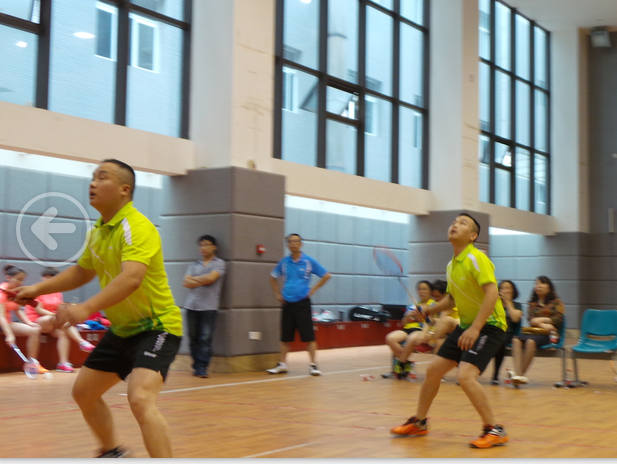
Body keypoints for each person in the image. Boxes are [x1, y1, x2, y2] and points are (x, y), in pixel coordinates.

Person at [14, 159, 183, 458]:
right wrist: (36, 289)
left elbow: (131, 278)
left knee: (140, 399)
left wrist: (85, 309)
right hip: (122, 330)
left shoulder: (137, 227)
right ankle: (112, 452)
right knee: (84, 393)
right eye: (92, 177)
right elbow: (82, 272)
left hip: (157, 327)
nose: (92, 183)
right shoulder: (98, 231)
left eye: (102, 177)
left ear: (124, 189)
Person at [390, 213, 509, 449]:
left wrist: (476, 328)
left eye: (462, 223)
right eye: (454, 222)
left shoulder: (477, 258)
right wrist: (429, 309)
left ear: (473, 235)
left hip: (490, 326)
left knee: (465, 376)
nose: (455, 224)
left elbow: (492, 294)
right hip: (467, 326)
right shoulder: (451, 265)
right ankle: (420, 422)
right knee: (434, 370)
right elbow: (452, 300)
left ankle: (494, 429)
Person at [267, 233, 331, 376]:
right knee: (285, 337)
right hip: (287, 303)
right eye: (290, 242)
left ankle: (313, 365)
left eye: (296, 241)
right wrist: (277, 293)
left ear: (301, 244)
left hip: (303, 304)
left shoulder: (308, 261)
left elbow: (326, 275)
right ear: (287, 245)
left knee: (309, 337)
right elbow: (272, 276)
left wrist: (313, 289)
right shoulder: (284, 262)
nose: (293, 244)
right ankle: (282, 364)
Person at [24, 267, 96, 373]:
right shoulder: (37, 290)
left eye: (52, 278)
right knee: (62, 320)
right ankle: (82, 342)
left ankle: (63, 363)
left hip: (53, 321)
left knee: (63, 333)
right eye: (47, 277)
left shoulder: (57, 292)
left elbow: (59, 308)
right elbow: (39, 310)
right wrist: (57, 316)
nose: (49, 280)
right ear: (43, 278)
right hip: (37, 320)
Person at [182, 234, 226, 378]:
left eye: (206, 244)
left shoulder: (219, 263)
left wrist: (194, 280)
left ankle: (202, 367)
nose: (203, 248)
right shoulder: (194, 264)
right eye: (201, 245)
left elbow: (211, 278)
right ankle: (196, 365)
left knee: (205, 338)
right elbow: (185, 283)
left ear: (214, 247)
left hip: (209, 306)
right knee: (193, 337)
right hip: (191, 306)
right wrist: (203, 279)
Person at [509, 276, 564, 386]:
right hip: (534, 332)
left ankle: (518, 375)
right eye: (537, 283)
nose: (539, 286)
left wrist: (541, 320)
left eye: (542, 283)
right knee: (516, 340)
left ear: (549, 287)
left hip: (550, 335)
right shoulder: (532, 304)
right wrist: (543, 324)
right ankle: (519, 376)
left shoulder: (556, 302)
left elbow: (559, 318)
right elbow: (531, 320)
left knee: (530, 342)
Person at [386, 280, 435, 379]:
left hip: (421, 329)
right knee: (390, 338)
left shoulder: (433, 305)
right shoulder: (412, 305)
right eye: (419, 289)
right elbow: (404, 323)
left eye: (425, 289)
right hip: (408, 329)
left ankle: (401, 363)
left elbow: (431, 322)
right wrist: (408, 315)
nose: (422, 291)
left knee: (411, 339)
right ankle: (407, 363)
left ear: (430, 291)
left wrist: (422, 316)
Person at [0, 265, 44, 371]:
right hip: (2, 322)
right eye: (18, 279)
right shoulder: (1, 293)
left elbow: (17, 309)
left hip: (7, 323)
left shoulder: (15, 292)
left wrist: (28, 322)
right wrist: (10, 335)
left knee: (34, 330)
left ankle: (31, 364)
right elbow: (1, 316)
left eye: (22, 280)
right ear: (8, 277)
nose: (21, 282)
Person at [490, 280, 523, 385]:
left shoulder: (517, 305)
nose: (504, 290)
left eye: (508, 288)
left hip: (508, 333)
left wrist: (508, 302)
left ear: (513, 291)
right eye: (502, 288)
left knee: (500, 341)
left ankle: (495, 375)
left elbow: (515, 318)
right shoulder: (495, 304)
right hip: (493, 331)